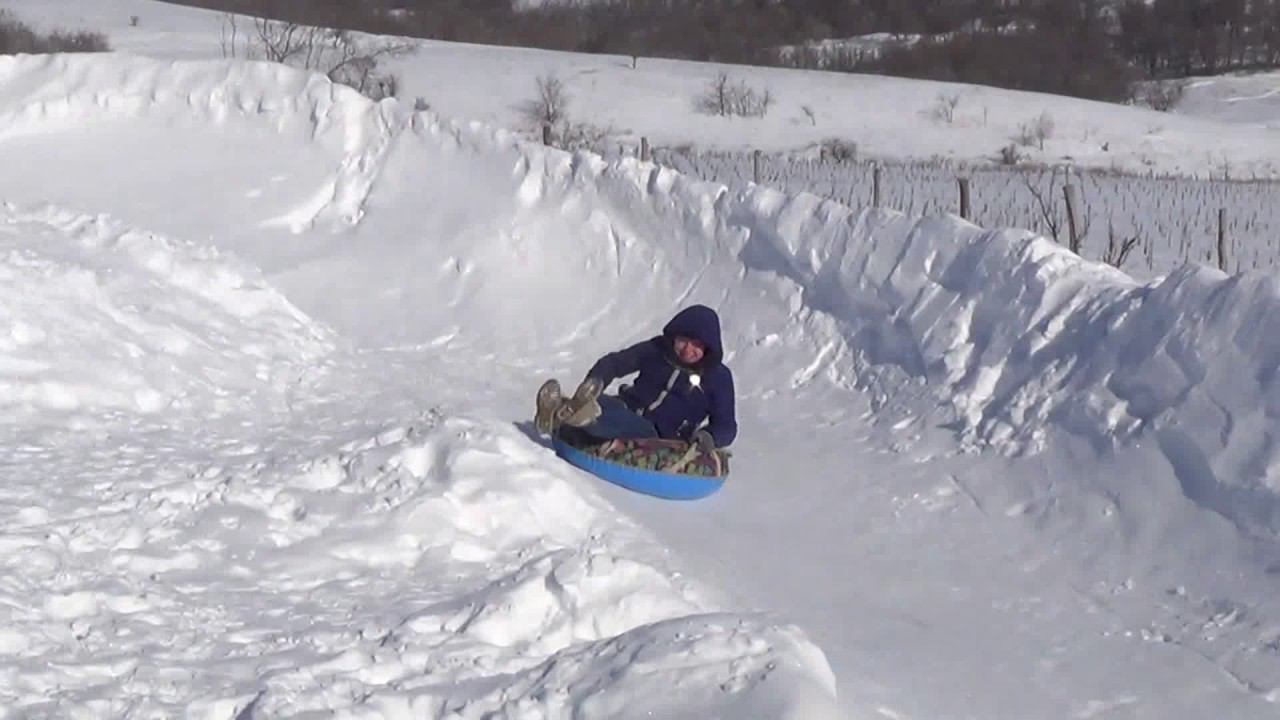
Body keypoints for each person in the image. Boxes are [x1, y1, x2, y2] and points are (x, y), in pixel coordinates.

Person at [534, 304, 737, 453]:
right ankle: (559, 411)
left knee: (622, 423)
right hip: (626, 406)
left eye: (696, 345)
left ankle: (574, 417)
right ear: (674, 336)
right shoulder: (658, 350)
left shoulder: (718, 378)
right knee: (606, 403)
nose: (687, 350)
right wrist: (596, 381)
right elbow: (615, 363)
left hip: (659, 433)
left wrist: (708, 436)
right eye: (683, 340)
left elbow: (726, 426)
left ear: (708, 348)